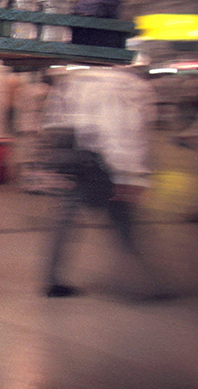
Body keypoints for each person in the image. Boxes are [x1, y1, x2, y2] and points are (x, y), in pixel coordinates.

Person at [40, 66, 168, 299]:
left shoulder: (74, 79)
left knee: (64, 222)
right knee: (123, 224)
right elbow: (123, 130)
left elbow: (52, 120)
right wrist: (129, 176)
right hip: (106, 165)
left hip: (76, 161)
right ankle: (142, 285)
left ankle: (53, 280)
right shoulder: (130, 85)